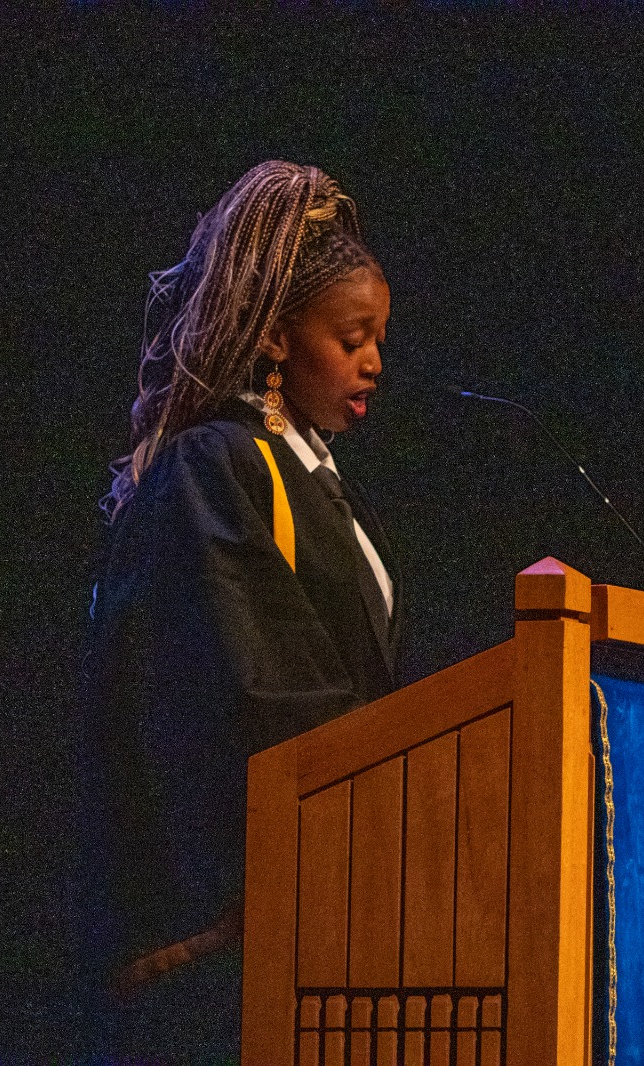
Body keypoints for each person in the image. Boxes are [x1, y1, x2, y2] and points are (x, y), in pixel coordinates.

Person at [72, 161, 401, 1063]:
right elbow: (247, 690)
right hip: (233, 926)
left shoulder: (327, 488)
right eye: (352, 335)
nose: (374, 359)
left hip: (328, 901)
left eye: (379, 336)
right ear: (276, 338)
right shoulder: (213, 467)